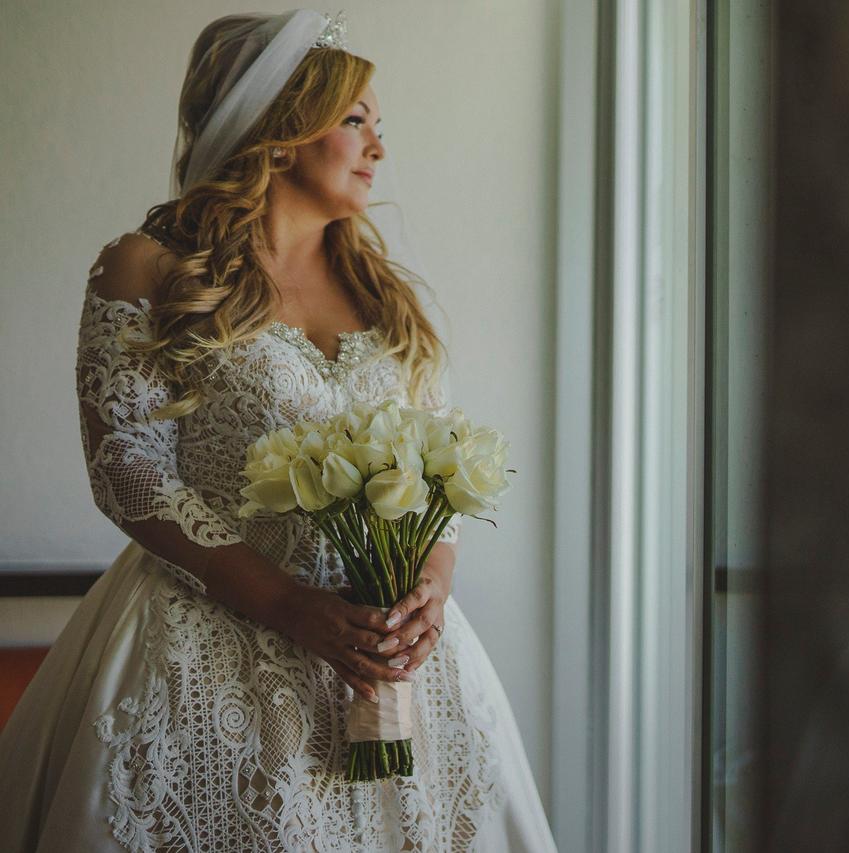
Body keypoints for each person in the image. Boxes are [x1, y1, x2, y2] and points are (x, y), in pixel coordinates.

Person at [0, 10, 557, 852]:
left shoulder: (385, 293)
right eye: (356, 120)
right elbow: (127, 466)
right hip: (206, 645)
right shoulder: (150, 268)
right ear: (283, 130)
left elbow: (442, 465)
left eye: (381, 126)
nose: (378, 147)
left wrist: (431, 586)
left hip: (394, 660)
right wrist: (290, 604)